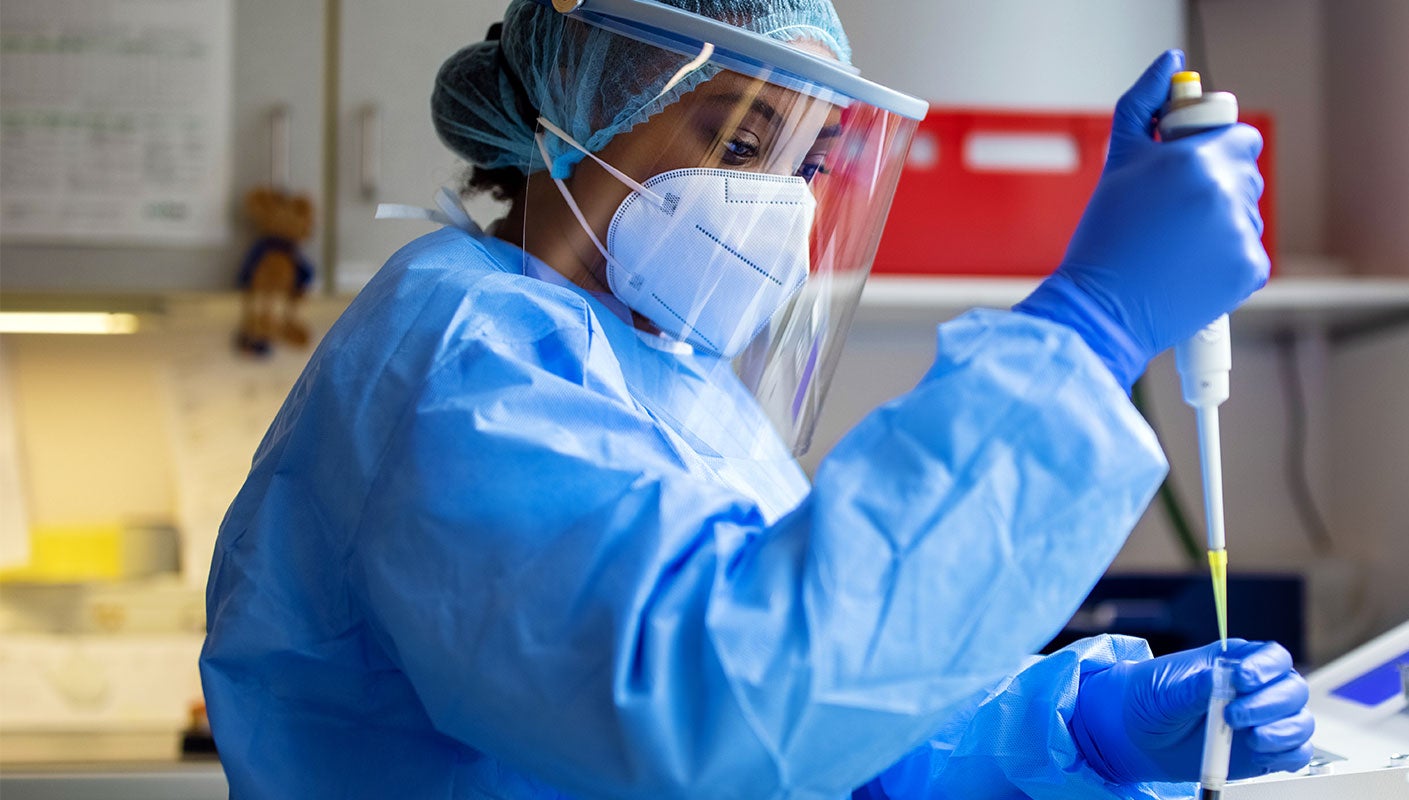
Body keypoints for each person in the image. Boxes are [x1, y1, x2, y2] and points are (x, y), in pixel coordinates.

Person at [199, 0, 1312, 797]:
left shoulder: (672, 385)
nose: (775, 200)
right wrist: (1090, 328)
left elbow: (837, 706)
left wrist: (1084, 724)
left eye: (810, 160)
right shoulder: (466, 365)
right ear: (571, 115)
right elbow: (721, 706)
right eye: (739, 138)